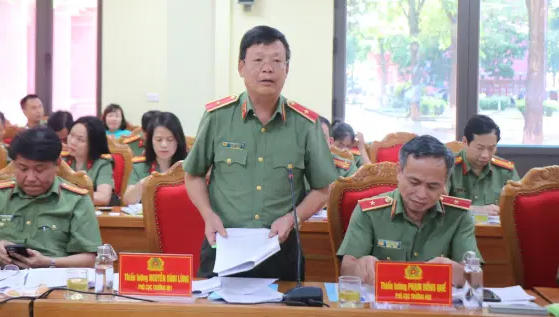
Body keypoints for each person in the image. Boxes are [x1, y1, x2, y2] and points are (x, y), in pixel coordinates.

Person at [184, 25, 337, 280]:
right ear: (241, 67)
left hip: (281, 248)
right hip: (224, 245)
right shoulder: (217, 117)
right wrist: (208, 215)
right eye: (258, 60)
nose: (267, 69)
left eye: (276, 61)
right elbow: (193, 175)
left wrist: (292, 219)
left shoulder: (305, 124)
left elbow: (322, 189)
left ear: (287, 69)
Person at [337, 135, 481, 286]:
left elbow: (476, 279)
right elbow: (346, 270)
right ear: (399, 172)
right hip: (383, 298)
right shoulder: (369, 212)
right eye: (414, 182)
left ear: (445, 182)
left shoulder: (458, 215)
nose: (421, 194)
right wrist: (360, 266)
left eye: (432, 186)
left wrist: (458, 271)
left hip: (437, 298)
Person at [0, 127, 102, 269]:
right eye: (23, 169)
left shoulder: (77, 200)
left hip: (52, 278)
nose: (31, 178)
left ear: (57, 164)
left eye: (39, 170)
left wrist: (49, 262)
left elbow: (90, 260)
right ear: (14, 164)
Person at [448, 115, 519, 216]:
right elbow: (438, 202)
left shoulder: (506, 171)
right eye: (480, 148)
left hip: (496, 226)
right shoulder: (448, 167)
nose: (485, 155)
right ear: (465, 142)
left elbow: (519, 205)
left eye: (491, 148)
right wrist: (473, 209)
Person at [123, 112, 187, 205]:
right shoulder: (140, 166)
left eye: (170, 139)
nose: (164, 145)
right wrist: (146, 182)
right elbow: (128, 200)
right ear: (151, 141)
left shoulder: (189, 166)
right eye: (158, 139)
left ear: (178, 140)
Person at [63, 116, 115, 206]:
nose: (73, 142)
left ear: (93, 144)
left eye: (80, 139)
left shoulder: (102, 163)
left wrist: (69, 198)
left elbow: (103, 197)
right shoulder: (62, 159)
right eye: (71, 135)